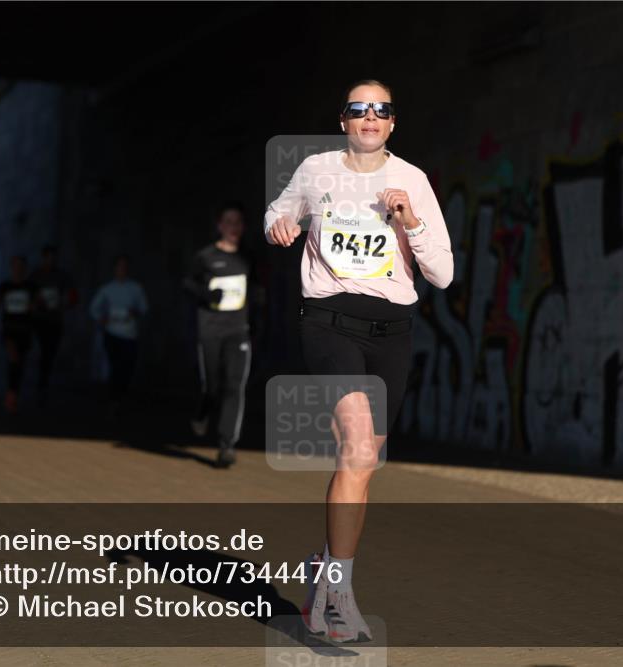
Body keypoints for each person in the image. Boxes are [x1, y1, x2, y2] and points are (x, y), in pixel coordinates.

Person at [264, 79, 452, 642]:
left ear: (393, 123)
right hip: (328, 323)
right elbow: (278, 214)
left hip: (392, 331)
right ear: (343, 120)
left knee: (365, 463)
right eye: (358, 108)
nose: (370, 116)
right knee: (357, 446)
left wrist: (410, 222)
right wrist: (279, 226)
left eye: (382, 110)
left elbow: (442, 274)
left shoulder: (412, 179)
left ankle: (325, 566)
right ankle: (339, 594)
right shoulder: (316, 169)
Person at [183, 202, 253, 468]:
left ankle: (227, 445)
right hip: (211, 330)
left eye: (238, 223)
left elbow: (258, 288)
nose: (233, 228)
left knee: (234, 385)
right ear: (220, 226)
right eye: (228, 222)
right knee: (212, 386)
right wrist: (206, 294)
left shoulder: (248, 257)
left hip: (238, 330)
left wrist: (257, 313)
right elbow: (188, 283)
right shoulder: (205, 257)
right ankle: (202, 412)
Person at [89, 255, 147, 411]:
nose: (121, 270)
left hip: (129, 334)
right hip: (113, 333)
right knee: (115, 366)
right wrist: (102, 319)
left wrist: (135, 312)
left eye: (124, 267)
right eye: (119, 266)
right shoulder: (107, 289)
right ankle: (113, 398)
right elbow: (94, 309)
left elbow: (144, 308)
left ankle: (121, 395)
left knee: (127, 366)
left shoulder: (135, 288)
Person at [30, 244, 77, 405]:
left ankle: (44, 377)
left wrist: (65, 303)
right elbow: (28, 294)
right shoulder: (36, 276)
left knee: (51, 350)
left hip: (55, 319)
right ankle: (42, 379)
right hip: (40, 319)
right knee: (43, 347)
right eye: (48, 257)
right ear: (43, 258)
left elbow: (71, 296)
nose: (51, 261)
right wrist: (36, 303)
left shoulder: (61, 276)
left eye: (53, 257)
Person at [0, 255, 36, 413]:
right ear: (11, 268)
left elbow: (38, 303)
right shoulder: (6, 286)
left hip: (25, 329)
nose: (18, 269)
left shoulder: (30, 287)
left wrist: (34, 307)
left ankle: (14, 390)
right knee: (13, 357)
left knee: (20, 362)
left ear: (25, 269)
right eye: (15, 266)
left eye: (21, 266)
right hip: (9, 328)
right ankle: (11, 393)